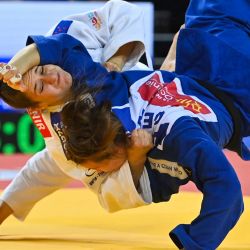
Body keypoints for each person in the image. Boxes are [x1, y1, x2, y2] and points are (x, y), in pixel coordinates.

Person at [47, 0, 250, 249]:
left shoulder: (177, 137)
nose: (99, 174)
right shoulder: (109, 93)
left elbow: (228, 191)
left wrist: (194, 242)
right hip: (210, 50)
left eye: (98, 167)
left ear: (117, 149)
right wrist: (21, 67)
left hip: (234, 84)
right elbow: (63, 50)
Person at [0, 0, 154, 226]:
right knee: (58, 162)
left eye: (42, 70)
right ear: (39, 107)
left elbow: (124, 11)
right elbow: (49, 169)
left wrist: (116, 60)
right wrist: (136, 158)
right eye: (42, 87)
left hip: (148, 83)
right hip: (146, 122)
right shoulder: (59, 128)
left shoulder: (66, 37)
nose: (52, 76)